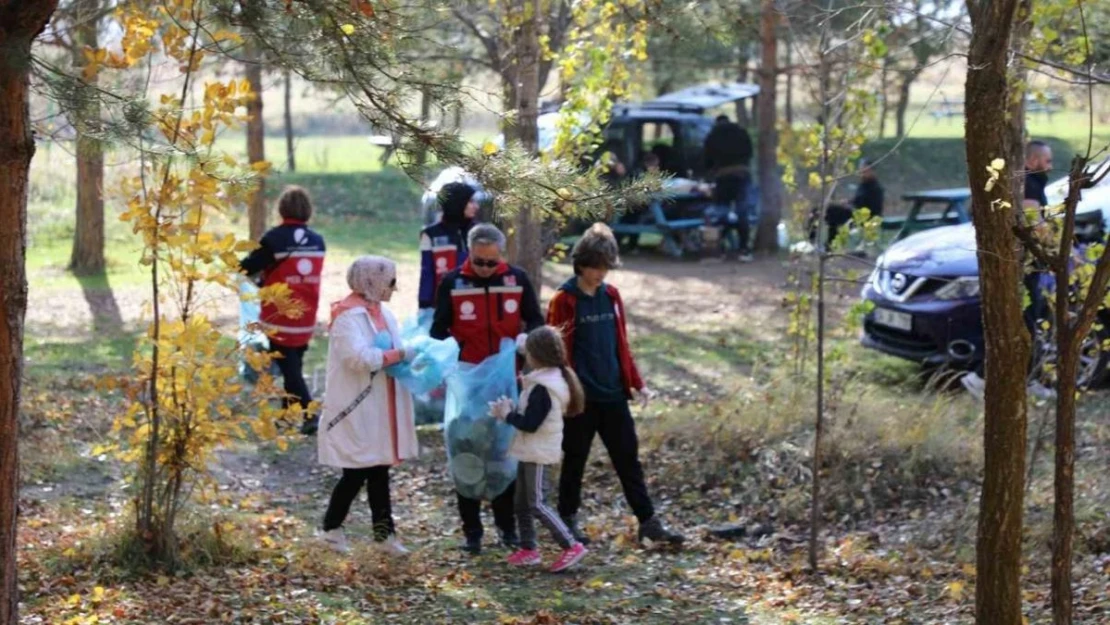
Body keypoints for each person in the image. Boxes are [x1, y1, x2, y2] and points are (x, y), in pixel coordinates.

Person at [547, 223, 686, 546]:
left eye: (606, 267)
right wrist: (564, 391)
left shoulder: (612, 296)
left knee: (628, 459)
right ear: (581, 263)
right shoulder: (564, 299)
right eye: (596, 267)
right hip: (581, 398)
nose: (601, 274)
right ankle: (567, 520)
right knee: (575, 459)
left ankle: (648, 522)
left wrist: (637, 383)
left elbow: (620, 344)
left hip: (613, 395)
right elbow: (558, 352)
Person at [430, 223, 545, 554]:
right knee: (466, 453)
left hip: (507, 382)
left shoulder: (516, 280)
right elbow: (438, 330)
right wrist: (447, 354)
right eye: (479, 262)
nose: (484, 269)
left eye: (491, 263)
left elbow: (534, 319)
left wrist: (527, 341)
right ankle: (472, 532)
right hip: (468, 385)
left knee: (502, 456)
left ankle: (506, 529)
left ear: (501, 257)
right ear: (469, 254)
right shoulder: (453, 283)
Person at [317, 256, 417, 556]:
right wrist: (398, 355)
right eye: (390, 281)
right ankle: (331, 529)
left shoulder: (383, 313)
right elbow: (358, 358)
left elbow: (389, 351)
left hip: (381, 403)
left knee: (378, 468)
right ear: (371, 281)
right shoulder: (348, 317)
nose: (394, 288)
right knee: (357, 469)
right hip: (357, 404)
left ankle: (383, 535)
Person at [489, 325, 589, 573]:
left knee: (537, 503)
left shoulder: (545, 387)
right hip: (529, 450)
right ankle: (528, 549)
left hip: (538, 452)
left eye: (527, 353)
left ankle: (571, 544)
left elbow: (531, 424)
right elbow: (531, 416)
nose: (525, 357)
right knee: (521, 503)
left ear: (536, 356)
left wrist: (507, 415)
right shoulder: (542, 381)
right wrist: (513, 410)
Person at [961, 140, 1056, 400]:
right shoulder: (1029, 183)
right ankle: (980, 377)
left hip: (1026, 265)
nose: (1051, 166)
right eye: (1047, 161)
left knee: (1029, 321)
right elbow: (1034, 223)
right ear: (1033, 160)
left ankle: (1027, 379)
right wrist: (1054, 248)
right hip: (1023, 266)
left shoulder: (1025, 181)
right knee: (1021, 322)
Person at [239, 186, 326, 435]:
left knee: (289, 367)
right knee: (293, 364)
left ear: (282, 209)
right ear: (307, 211)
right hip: (307, 313)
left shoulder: (274, 239)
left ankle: (310, 413)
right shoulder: (317, 241)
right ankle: (287, 418)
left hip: (279, 314)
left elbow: (246, 267)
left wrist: (258, 280)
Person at [419, 182, 479, 315]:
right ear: (457, 203)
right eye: (470, 201)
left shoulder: (479, 232)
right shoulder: (431, 234)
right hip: (443, 305)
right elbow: (427, 273)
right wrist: (424, 307)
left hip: (476, 303)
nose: (476, 206)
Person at [703, 115, 754, 262]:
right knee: (742, 212)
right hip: (742, 175)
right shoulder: (741, 132)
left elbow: (707, 159)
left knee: (720, 212)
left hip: (723, 177)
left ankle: (718, 249)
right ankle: (744, 249)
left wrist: (709, 173)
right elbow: (749, 153)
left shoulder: (713, 135)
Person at [810, 159, 885, 247]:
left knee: (829, 211)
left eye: (865, 170)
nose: (862, 173)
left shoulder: (875, 188)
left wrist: (850, 205)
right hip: (854, 212)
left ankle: (824, 244)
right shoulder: (864, 185)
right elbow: (858, 200)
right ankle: (823, 244)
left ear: (872, 171)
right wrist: (848, 202)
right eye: (861, 170)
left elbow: (869, 207)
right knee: (826, 212)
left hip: (863, 217)